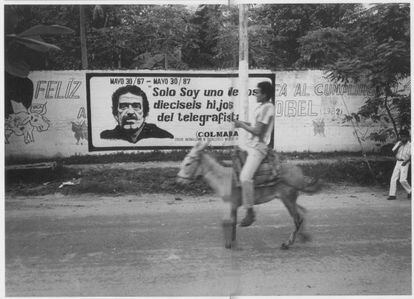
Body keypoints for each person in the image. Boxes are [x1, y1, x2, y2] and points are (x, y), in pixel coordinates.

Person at [233, 81, 275, 226]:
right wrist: (240, 123)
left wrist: (241, 125)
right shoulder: (261, 107)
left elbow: (257, 131)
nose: (255, 94)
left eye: (257, 92)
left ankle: (250, 212)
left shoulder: (268, 107)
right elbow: (254, 126)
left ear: (264, 94)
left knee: (245, 177)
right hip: (251, 145)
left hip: (259, 148)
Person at [100, 85, 173, 143]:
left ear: (145, 113)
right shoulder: (105, 137)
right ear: (115, 113)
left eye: (136, 106)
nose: (130, 112)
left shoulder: (163, 136)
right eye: (123, 106)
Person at [388, 129, 411, 200]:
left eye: (404, 136)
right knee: (393, 178)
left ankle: (410, 191)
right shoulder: (399, 143)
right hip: (398, 162)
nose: (402, 138)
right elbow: (392, 152)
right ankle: (392, 195)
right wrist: (398, 146)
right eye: (401, 136)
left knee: (402, 180)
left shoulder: (410, 145)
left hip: (405, 162)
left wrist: (406, 162)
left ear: (407, 137)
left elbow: (411, 156)